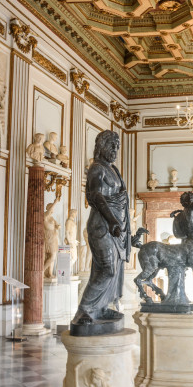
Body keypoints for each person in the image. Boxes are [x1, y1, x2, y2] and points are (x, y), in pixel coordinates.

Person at [71, 130, 131, 327]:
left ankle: (102, 307)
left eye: (117, 146)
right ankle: (83, 311)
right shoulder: (97, 168)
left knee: (106, 268)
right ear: (102, 146)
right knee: (107, 269)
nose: (115, 150)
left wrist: (118, 222)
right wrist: (112, 219)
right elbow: (95, 196)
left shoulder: (113, 169)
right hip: (101, 225)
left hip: (115, 226)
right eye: (112, 145)